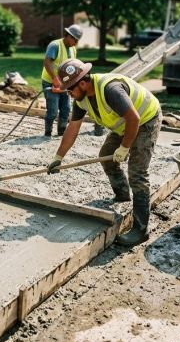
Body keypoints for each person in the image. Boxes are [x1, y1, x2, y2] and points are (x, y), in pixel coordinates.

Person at [47, 58, 162, 246]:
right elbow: (72, 129)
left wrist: (125, 148)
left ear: (83, 83)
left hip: (146, 119)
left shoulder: (111, 90)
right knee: (106, 157)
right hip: (125, 124)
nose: (68, 94)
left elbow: (134, 118)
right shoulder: (81, 99)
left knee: (137, 172)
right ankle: (123, 194)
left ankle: (141, 230)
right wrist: (59, 157)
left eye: (70, 89)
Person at [41, 25, 82, 136]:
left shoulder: (73, 49)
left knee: (66, 109)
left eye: (78, 41)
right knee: (53, 111)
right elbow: (47, 62)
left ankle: (61, 132)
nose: (76, 43)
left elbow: (72, 67)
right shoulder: (55, 45)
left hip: (65, 84)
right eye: (75, 40)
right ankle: (48, 133)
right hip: (50, 82)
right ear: (68, 36)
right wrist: (55, 79)